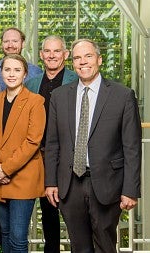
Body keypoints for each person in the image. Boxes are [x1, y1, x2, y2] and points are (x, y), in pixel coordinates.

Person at [45, 39, 141, 253]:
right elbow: (52, 144)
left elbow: (132, 147)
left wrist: (131, 190)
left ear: (99, 59)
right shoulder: (59, 96)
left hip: (107, 183)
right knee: (78, 247)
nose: (83, 62)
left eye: (88, 56)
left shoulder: (122, 95)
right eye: (78, 58)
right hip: (70, 184)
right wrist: (51, 181)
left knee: (105, 245)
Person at [0, 28, 42, 248]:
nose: (12, 74)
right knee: (3, 235)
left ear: (25, 74)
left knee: (17, 238)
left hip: (22, 177)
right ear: (1, 72)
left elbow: (33, 142)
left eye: (17, 70)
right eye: (7, 69)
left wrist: (5, 169)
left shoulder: (36, 102)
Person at [25, 35, 78, 253]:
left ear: (65, 55)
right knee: (48, 210)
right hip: (40, 155)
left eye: (57, 51)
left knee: (73, 210)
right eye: (47, 51)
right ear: (41, 55)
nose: (52, 55)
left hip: (69, 155)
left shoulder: (76, 80)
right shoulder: (32, 84)